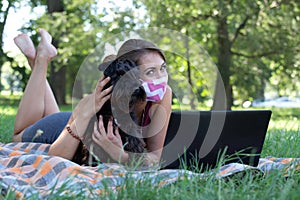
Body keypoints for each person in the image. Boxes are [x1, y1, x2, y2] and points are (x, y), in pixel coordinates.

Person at [12, 28, 172, 166]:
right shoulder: (103, 97)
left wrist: (121, 156)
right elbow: (56, 157)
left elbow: (155, 157)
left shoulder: (164, 94)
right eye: (150, 72)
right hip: (63, 128)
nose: (161, 78)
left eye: (163, 68)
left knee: (54, 114)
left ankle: (37, 60)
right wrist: (83, 115)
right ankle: (39, 61)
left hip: (73, 122)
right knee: (17, 136)